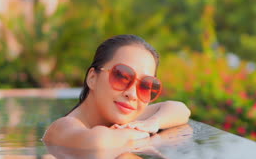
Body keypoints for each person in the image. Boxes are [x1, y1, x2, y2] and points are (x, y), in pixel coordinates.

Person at [43, 34, 191, 149]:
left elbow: (180, 109)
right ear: (93, 78)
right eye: (121, 76)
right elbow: (97, 143)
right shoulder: (63, 127)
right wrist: (140, 133)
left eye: (146, 85)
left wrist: (153, 123)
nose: (132, 94)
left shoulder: (123, 117)